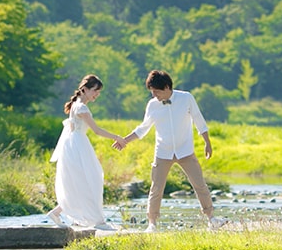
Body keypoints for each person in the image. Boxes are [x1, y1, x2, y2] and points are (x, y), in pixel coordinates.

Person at [113, 69, 224, 232]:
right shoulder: (152, 105)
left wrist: (207, 142)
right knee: (156, 188)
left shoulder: (186, 98)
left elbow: (199, 120)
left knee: (199, 184)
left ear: (166, 87)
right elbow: (142, 129)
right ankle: (152, 224)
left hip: (185, 150)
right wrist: (124, 141)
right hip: (163, 152)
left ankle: (211, 218)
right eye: (152, 92)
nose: (154, 95)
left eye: (156, 91)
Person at [47, 74, 124, 229]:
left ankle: (57, 212)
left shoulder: (77, 104)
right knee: (89, 180)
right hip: (77, 146)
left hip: (76, 144)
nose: (97, 94)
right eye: (95, 90)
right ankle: (96, 221)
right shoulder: (81, 107)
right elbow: (96, 130)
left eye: (99, 92)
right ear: (84, 89)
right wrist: (117, 137)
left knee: (83, 180)